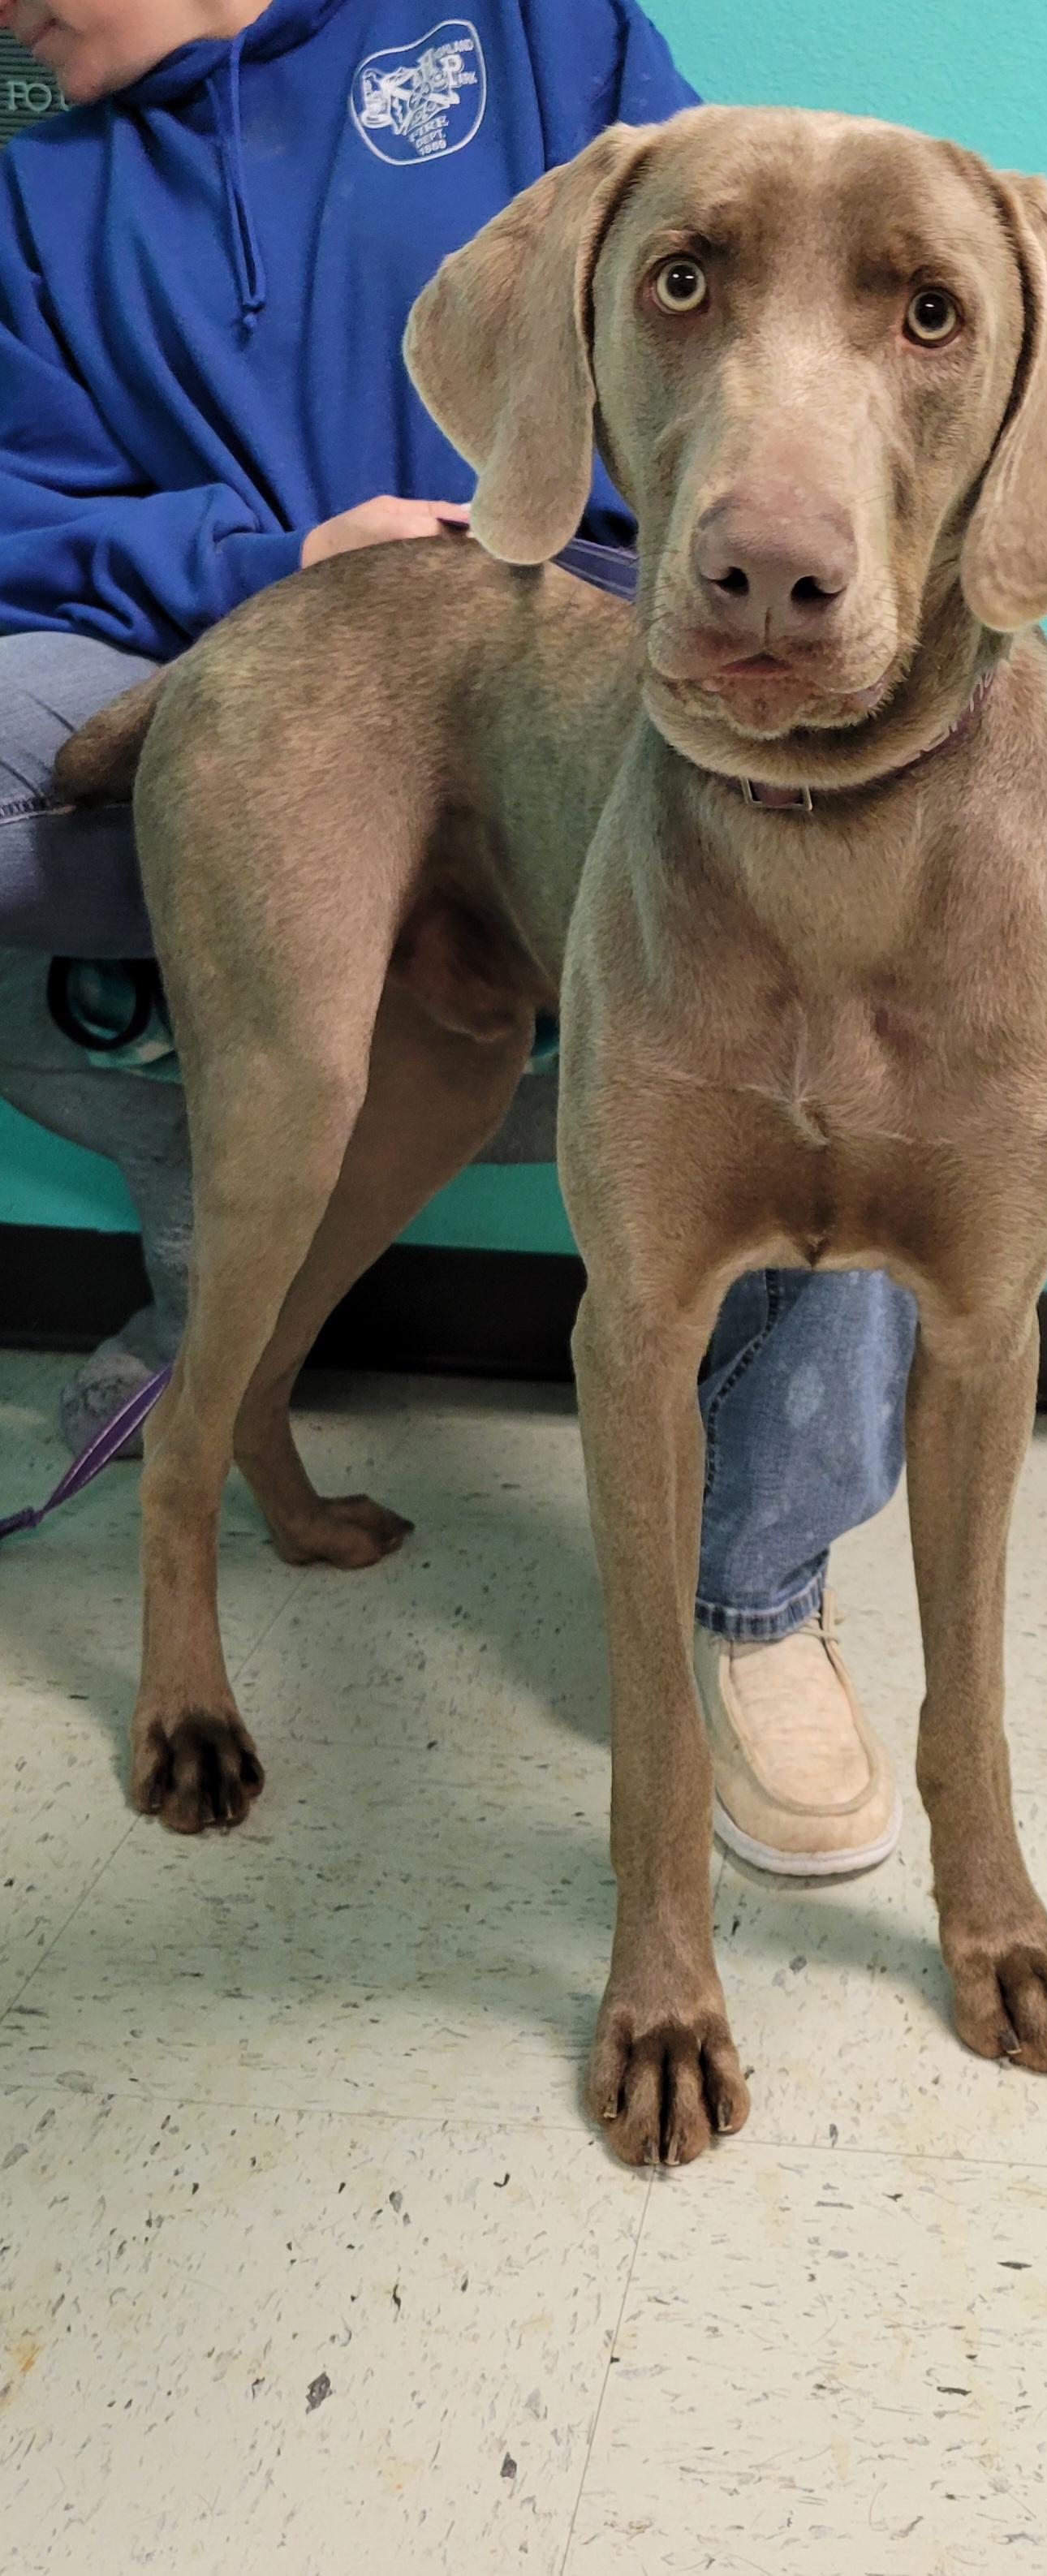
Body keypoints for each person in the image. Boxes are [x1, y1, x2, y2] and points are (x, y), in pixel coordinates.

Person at [0, 0, 915, 1873]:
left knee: (853, 967)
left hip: (566, 636)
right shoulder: (34, 186)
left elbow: (737, 315)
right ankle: (257, 1090)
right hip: (243, 656)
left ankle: (754, 1604)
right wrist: (269, 567)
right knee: (294, 1042)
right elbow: (15, 507)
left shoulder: (529, 24)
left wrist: (567, 545)